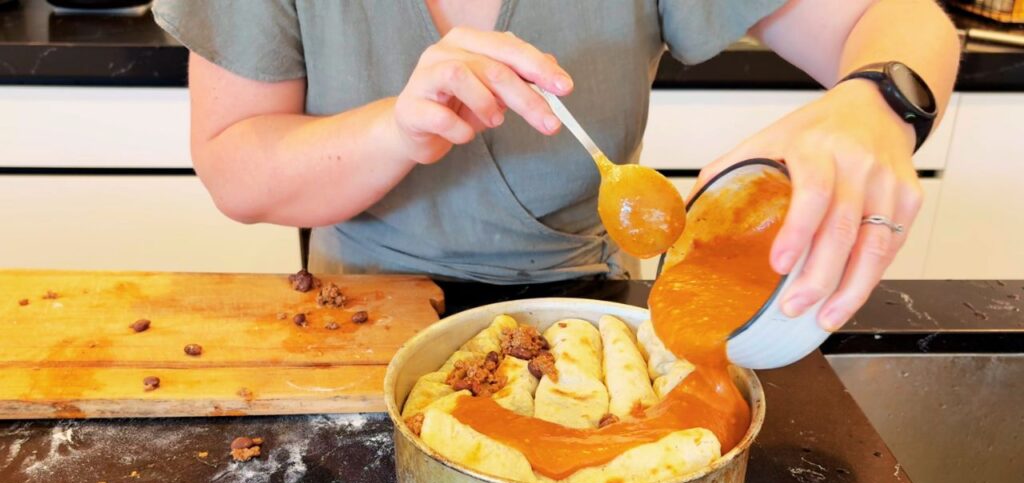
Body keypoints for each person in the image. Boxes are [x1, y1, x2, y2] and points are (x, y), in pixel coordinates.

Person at [153, 0, 960, 331]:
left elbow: (898, 17)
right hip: (358, 325)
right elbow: (237, 166)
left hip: (596, 315)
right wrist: (398, 131)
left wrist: (877, 104)